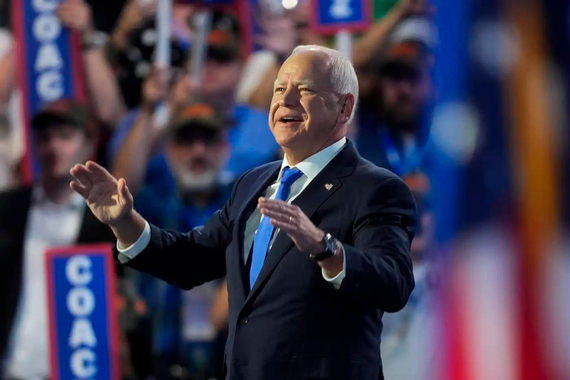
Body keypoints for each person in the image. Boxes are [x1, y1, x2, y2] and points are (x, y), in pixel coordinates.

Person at [70, 45, 417, 380]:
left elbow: (393, 284)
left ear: (344, 108)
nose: (286, 99)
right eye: (280, 88)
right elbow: (192, 259)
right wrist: (125, 223)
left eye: (305, 89)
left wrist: (326, 248)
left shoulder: (376, 188)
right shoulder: (252, 184)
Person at [0, 100, 141, 379]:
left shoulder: (107, 223)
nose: (53, 147)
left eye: (64, 137)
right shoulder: (7, 210)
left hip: (79, 368)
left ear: (89, 145)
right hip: (14, 366)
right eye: (45, 138)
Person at [113, 97, 235, 378]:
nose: (198, 152)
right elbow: (115, 196)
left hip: (227, 363)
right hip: (154, 363)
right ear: (168, 150)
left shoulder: (245, 205)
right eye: (186, 142)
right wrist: (147, 110)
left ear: (225, 149)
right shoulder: (151, 205)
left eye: (209, 142)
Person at [356, 18, 436, 177]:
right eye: (395, 77)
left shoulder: (448, 143)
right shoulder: (357, 138)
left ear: (433, 83)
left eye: (413, 77)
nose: (404, 89)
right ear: (377, 83)